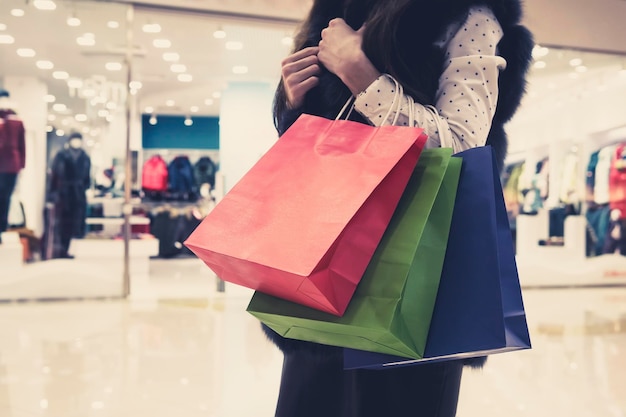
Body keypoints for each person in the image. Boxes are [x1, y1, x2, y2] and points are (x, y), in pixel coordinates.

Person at [266, 0, 534, 416]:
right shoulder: (338, 12)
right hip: (325, 269)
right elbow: (322, 147)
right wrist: (292, 101)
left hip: (415, 278)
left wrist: (361, 74)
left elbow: (462, 145)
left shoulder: (468, 17)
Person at [0, 88, 26, 241]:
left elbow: (20, 144)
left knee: (6, 198)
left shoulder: (15, 119)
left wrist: (21, 165)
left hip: (10, 166)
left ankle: (2, 229)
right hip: (6, 164)